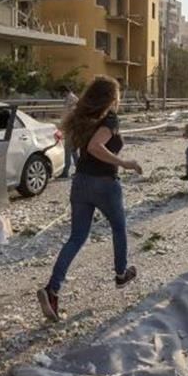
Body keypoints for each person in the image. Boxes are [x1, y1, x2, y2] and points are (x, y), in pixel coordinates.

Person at [38, 76, 142, 320]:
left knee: (76, 237)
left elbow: (86, 148)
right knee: (119, 227)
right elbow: (96, 147)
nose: (119, 99)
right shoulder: (110, 120)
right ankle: (120, 274)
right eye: (117, 95)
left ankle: (52, 289)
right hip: (104, 184)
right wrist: (125, 163)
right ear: (110, 98)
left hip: (80, 183)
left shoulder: (83, 119)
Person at [57, 85, 79, 178]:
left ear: (64, 91)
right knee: (73, 151)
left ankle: (66, 171)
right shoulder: (70, 99)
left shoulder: (72, 99)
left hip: (72, 128)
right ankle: (79, 171)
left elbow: (70, 115)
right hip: (70, 128)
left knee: (68, 150)